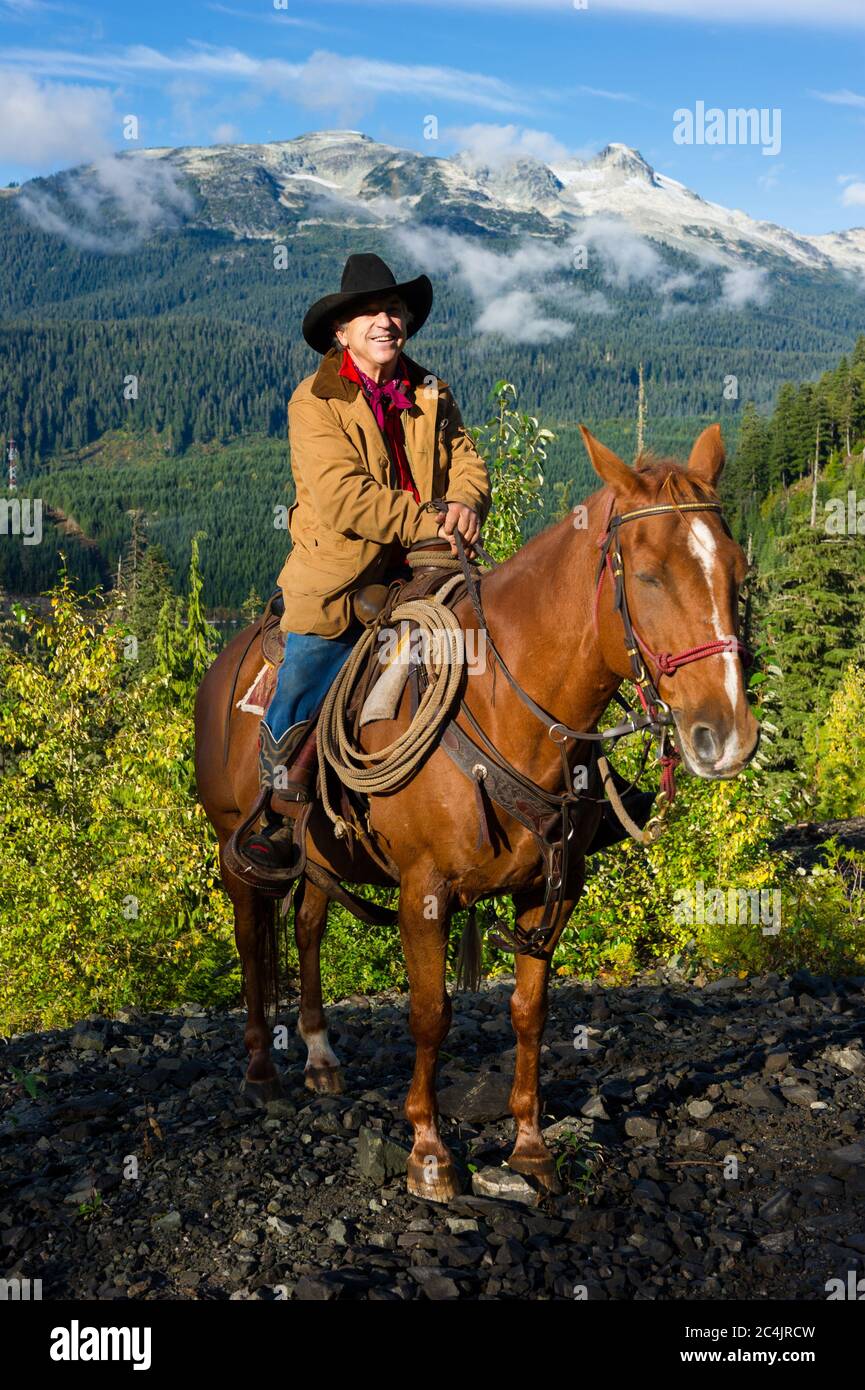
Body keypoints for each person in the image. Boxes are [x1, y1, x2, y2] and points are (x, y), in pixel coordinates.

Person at [244, 252, 492, 868]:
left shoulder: (430, 389)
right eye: (370, 312)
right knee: (310, 663)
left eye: (395, 309)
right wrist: (428, 519)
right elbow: (342, 496)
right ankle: (276, 809)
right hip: (341, 576)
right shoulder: (315, 401)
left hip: (431, 563)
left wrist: (464, 501)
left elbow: (467, 458)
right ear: (341, 331)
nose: (386, 320)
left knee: (510, 637)